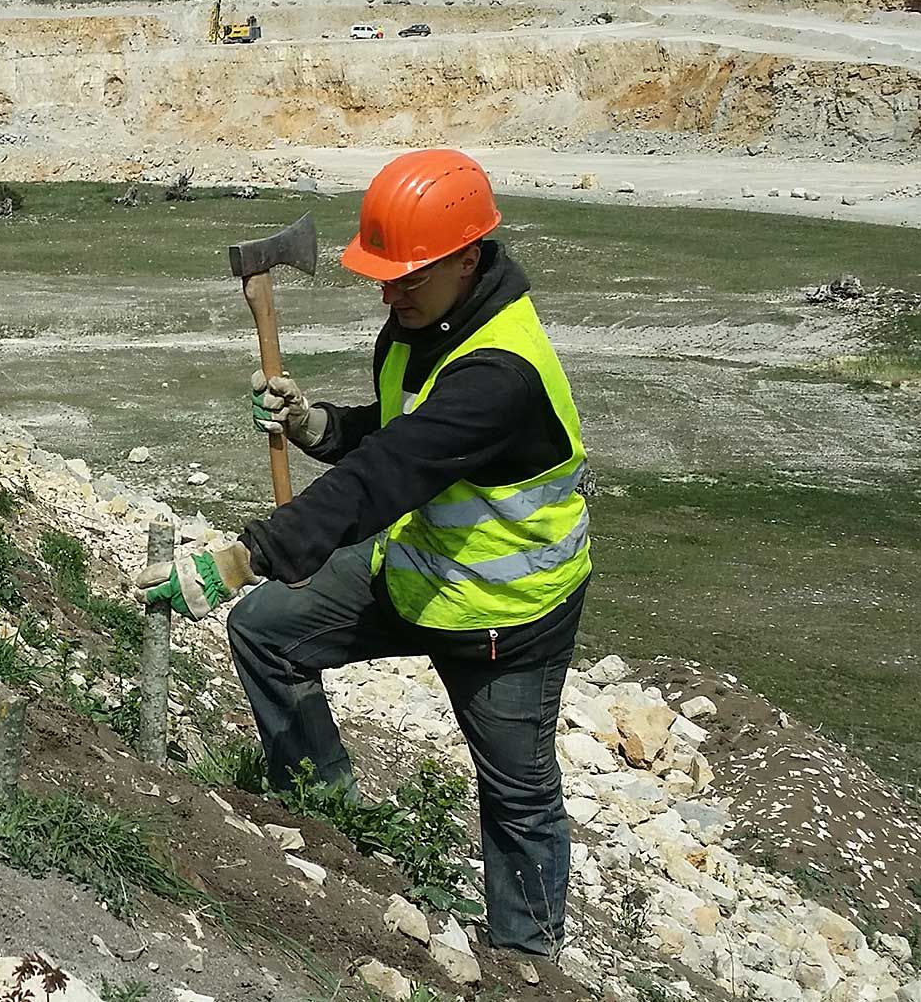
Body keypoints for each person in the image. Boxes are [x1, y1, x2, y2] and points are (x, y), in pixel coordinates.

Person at [134, 148, 591, 957]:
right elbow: (400, 429)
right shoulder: (428, 321)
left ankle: (527, 966)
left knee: (518, 801)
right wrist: (318, 425)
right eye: (384, 278)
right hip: (418, 571)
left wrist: (241, 558)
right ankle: (329, 823)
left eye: (407, 278)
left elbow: (387, 475)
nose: (390, 294)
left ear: (468, 259)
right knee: (267, 630)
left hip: (506, 619)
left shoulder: (501, 373)